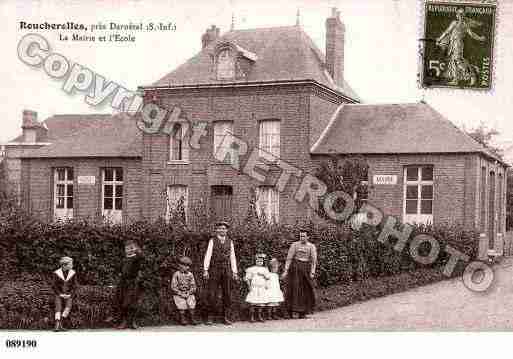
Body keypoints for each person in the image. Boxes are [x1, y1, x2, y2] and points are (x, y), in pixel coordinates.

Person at [436, 8, 486, 86]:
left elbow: (472, 34)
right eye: (459, 14)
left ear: (464, 16)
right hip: (452, 43)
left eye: (462, 15)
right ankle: (455, 79)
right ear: (457, 15)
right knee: (453, 61)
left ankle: (472, 74)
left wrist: (480, 38)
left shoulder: (465, 24)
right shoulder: (454, 23)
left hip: (458, 44)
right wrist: (440, 38)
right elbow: (447, 32)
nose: (461, 16)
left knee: (458, 60)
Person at [203, 221, 238, 325]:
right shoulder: (212, 241)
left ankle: (225, 317)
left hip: (226, 269)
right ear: (217, 230)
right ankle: (210, 317)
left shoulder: (230, 241)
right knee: (212, 293)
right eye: (220, 228)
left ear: (227, 230)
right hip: (214, 269)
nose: (222, 230)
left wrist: (234, 271)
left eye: (224, 228)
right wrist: (205, 270)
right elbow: (208, 255)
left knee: (227, 294)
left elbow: (232, 257)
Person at [282, 229, 317, 319]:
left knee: (306, 289)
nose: (302, 238)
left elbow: (313, 261)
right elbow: (289, 258)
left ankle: (303, 312)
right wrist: (286, 270)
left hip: (306, 269)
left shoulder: (311, 246)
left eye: (304, 236)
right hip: (295, 268)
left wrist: (312, 272)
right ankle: (292, 311)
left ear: (308, 237)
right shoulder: (294, 245)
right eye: (301, 236)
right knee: (294, 289)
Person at [116, 239, 144, 329]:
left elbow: (141, 256)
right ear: (125, 250)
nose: (129, 250)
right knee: (123, 303)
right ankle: (124, 321)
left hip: (133, 283)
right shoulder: (124, 259)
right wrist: (120, 276)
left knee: (133, 303)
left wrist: (137, 250)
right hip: (123, 284)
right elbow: (120, 270)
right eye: (127, 248)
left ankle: (133, 322)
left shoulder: (136, 258)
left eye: (131, 248)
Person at [171, 256, 199, 325]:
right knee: (181, 303)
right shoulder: (176, 274)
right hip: (179, 293)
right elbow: (174, 286)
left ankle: (192, 318)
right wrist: (180, 293)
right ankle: (182, 318)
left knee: (191, 302)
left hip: (188, 293)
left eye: (188, 266)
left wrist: (189, 292)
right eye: (185, 266)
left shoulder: (190, 275)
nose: (187, 268)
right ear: (180, 266)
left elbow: (193, 286)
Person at [52, 256, 78, 332]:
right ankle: (57, 325)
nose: (72, 265)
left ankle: (61, 323)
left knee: (68, 307)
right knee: (58, 307)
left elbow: (75, 286)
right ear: (64, 265)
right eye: (71, 264)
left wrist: (70, 294)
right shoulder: (56, 273)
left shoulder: (73, 273)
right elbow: (54, 286)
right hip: (59, 294)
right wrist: (60, 294)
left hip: (69, 294)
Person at [244, 253, 271, 322]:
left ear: (263, 262)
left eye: (261, 261)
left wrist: (263, 275)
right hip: (254, 287)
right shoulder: (252, 269)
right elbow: (247, 279)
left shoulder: (265, 269)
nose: (259, 262)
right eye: (258, 261)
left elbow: (268, 278)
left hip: (262, 288)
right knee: (253, 302)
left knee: (261, 303)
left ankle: (259, 316)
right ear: (255, 261)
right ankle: (252, 316)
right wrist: (249, 286)